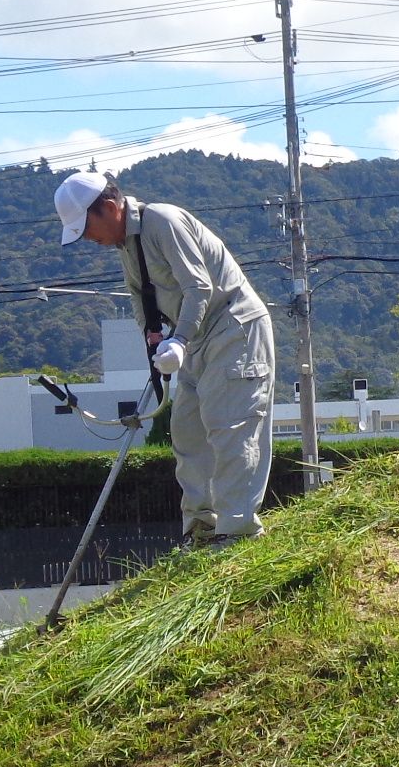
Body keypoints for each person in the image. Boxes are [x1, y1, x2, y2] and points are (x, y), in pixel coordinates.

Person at [54, 169, 276, 546]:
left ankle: (237, 532)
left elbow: (199, 285)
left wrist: (180, 339)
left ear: (109, 208)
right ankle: (201, 529)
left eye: (87, 228)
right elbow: (141, 298)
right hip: (190, 341)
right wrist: (154, 340)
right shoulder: (127, 245)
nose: (89, 240)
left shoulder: (164, 221)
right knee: (189, 433)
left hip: (232, 328)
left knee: (230, 427)